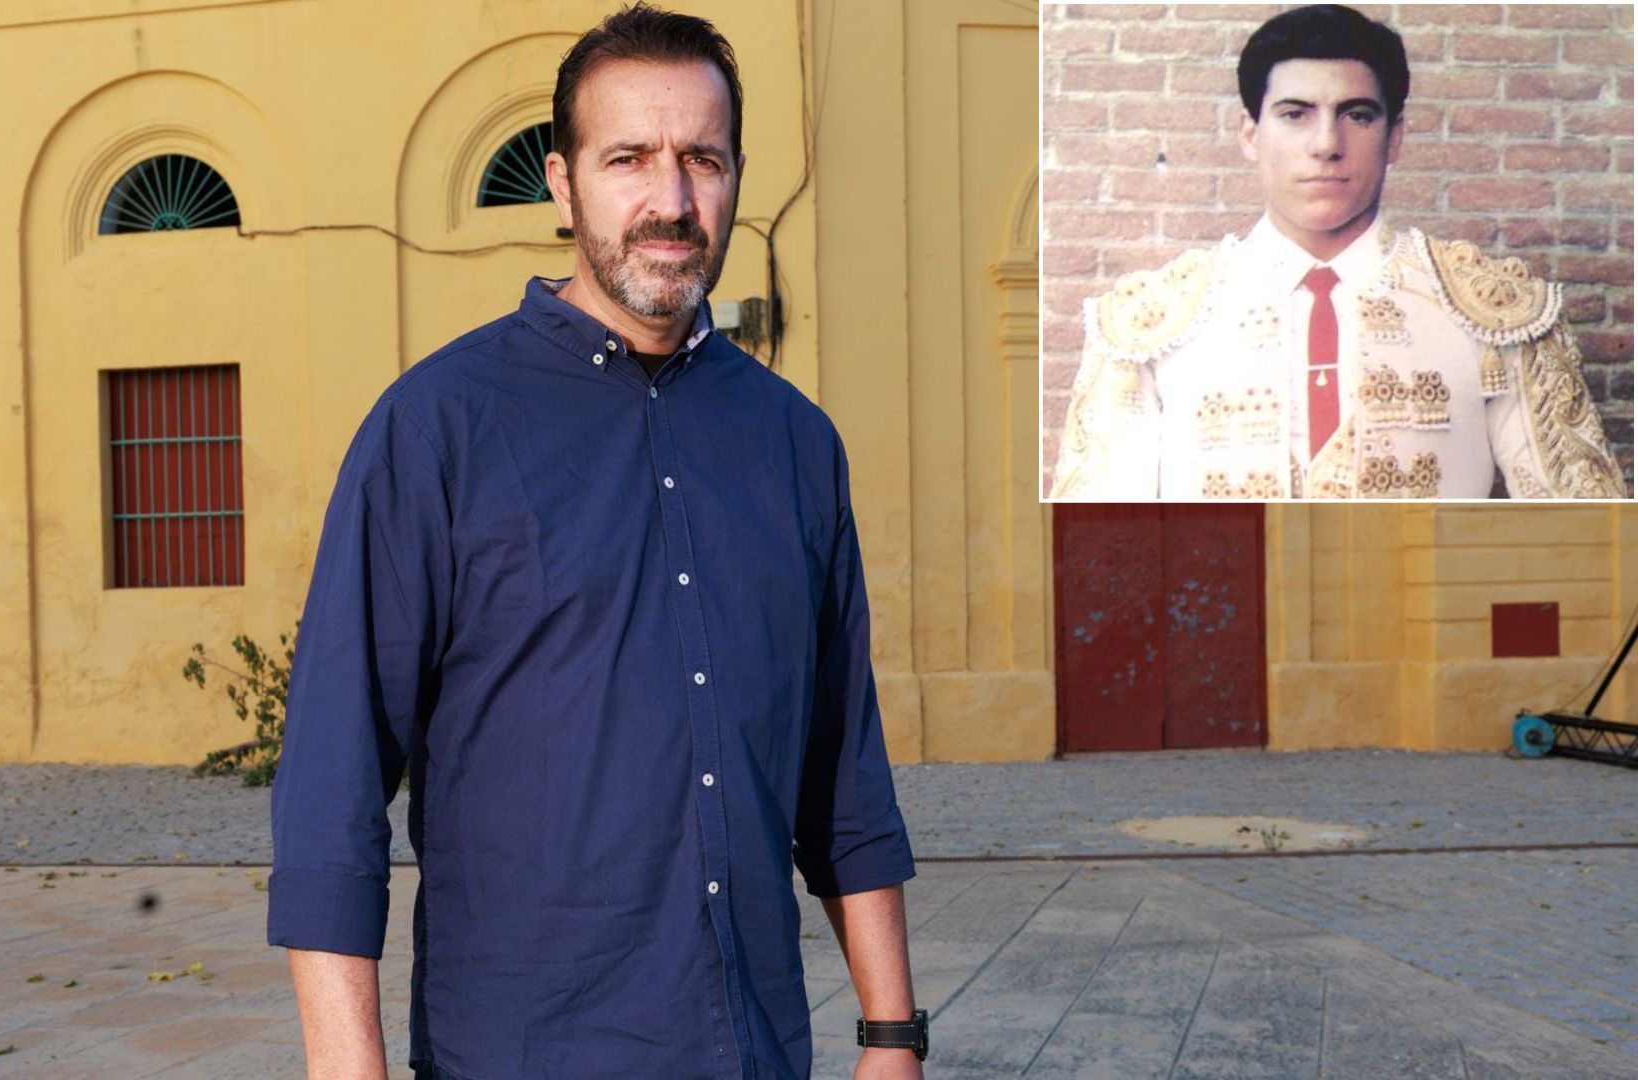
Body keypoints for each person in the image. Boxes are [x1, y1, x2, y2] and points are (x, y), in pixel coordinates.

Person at [267, 6, 928, 1078]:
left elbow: (843, 777)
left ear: (736, 176)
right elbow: (332, 790)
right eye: (629, 159)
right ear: (563, 183)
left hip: (754, 1051)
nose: (670, 201)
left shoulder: (797, 447)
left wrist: (893, 1040)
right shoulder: (436, 429)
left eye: (701, 160)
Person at [1050, 3, 1626, 500]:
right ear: (1250, 134)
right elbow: (1094, 547)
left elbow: (1585, 540)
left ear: (1394, 136)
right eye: (1295, 115)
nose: (1326, 145)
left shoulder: (1496, 316)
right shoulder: (1151, 325)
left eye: (1356, 115)